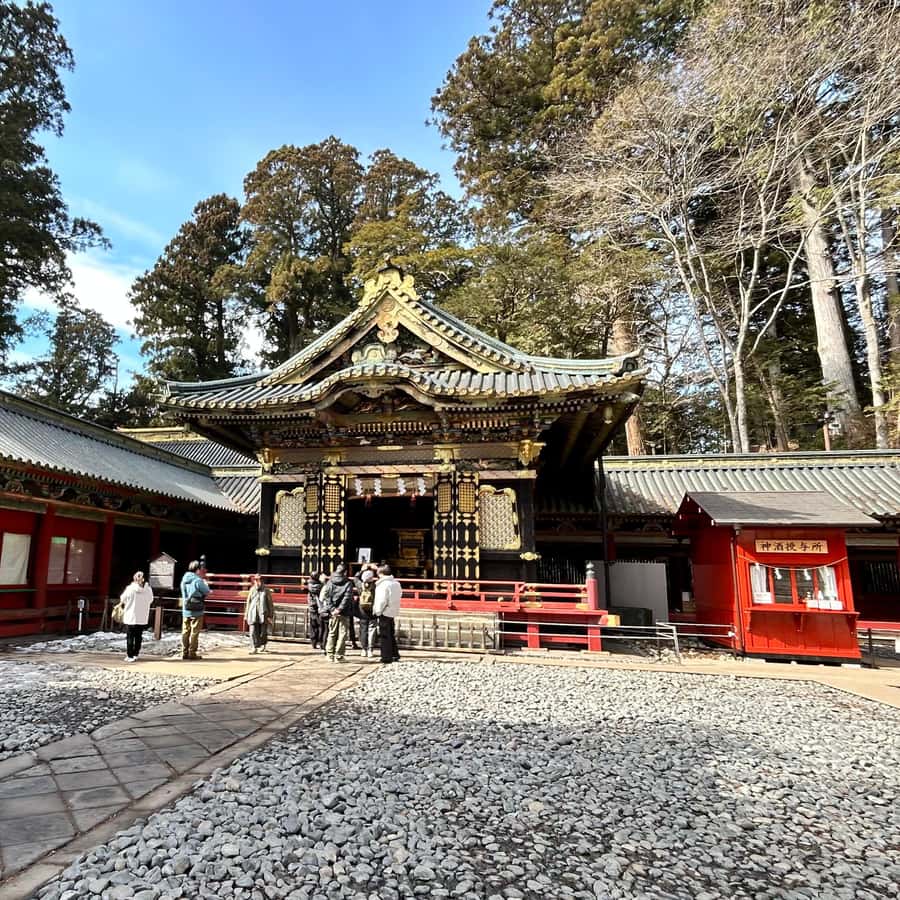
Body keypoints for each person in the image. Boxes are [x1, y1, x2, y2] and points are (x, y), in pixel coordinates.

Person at [321, 564, 353, 662]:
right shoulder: (348, 583)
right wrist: (339, 609)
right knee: (342, 634)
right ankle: (339, 655)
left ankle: (330, 655)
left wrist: (332, 609)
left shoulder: (330, 582)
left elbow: (326, 596)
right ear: (345, 572)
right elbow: (347, 598)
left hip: (333, 612)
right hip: (344, 611)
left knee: (332, 633)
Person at [120, 570, 153, 662]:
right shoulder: (148, 589)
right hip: (142, 616)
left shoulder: (130, 588)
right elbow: (151, 600)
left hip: (131, 615)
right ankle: (136, 654)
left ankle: (129, 655)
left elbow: (122, 598)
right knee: (139, 636)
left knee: (130, 636)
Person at [180, 560, 210, 660]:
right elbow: (206, 591)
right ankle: (192, 653)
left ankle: (184, 652)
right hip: (197, 609)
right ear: (197, 570)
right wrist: (205, 584)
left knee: (185, 631)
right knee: (194, 632)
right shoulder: (198, 580)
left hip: (186, 609)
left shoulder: (184, 580)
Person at [373, 564, 402, 664]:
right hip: (393, 611)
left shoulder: (383, 585)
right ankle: (394, 654)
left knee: (384, 635)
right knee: (391, 634)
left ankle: (386, 656)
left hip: (384, 612)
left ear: (380, 574)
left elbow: (381, 600)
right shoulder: (396, 583)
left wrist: (378, 611)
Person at [244, 574, 274, 654]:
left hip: (263, 612)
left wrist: (271, 615)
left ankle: (263, 646)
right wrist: (246, 614)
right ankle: (254, 647)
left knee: (263, 631)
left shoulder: (266, 590)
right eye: (256, 580)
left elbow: (270, 603)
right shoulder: (252, 589)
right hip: (253, 612)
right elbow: (248, 602)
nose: (257, 581)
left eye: (259, 580)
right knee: (253, 630)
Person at [356, 566, 377, 658]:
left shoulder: (360, 585)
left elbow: (356, 578)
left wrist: (362, 569)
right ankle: (370, 650)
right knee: (372, 629)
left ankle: (363, 649)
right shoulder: (375, 585)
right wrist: (376, 569)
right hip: (373, 609)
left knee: (363, 629)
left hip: (362, 610)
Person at [307, 572, 323, 649]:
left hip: (311, 607)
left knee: (313, 625)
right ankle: (320, 641)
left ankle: (313, 642)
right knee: (320, 625)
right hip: (319, 607)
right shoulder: (320, 586)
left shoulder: (309, 585)